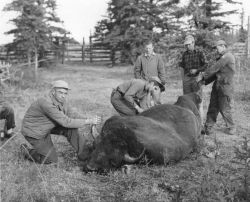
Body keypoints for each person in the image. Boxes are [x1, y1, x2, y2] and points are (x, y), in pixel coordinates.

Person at [20, 80, 101, 164]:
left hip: (47, 127)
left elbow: (71, 114)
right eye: (60, 92)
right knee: (51, 160)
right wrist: (88, 121)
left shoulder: (61, 100)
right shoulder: (46, 103)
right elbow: (66, 122)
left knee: (71, 129)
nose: (63, 96)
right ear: (53, 91)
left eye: (65, 93)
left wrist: (88, 119)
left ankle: (84, 155)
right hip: (35, 132)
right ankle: (26, 151)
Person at [201, 40, 236, 135]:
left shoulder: (227, 56)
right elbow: (216, 74)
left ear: (223, 46)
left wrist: (203, 75)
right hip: (217, 86)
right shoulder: (221, 57)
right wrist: (204, 81)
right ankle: (208, 127)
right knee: (212, 107)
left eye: (217, 48)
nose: (216, 50)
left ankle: (231, 127)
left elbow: (215, 67)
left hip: (225, 87)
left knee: (224, 108)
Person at [179, 35, 208, 120]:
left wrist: (197, 70)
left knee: (198, 101)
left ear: (193, 43)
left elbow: (206, 64)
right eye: (186, 45)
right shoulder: (184, 54)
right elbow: (182, 66)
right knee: (187, 100)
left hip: (197, 78)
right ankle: (189, 121)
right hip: (187, 79)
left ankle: (200, 123)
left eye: (189, 44)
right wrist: (183, 78)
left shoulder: (199, 52)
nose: (187, 46)